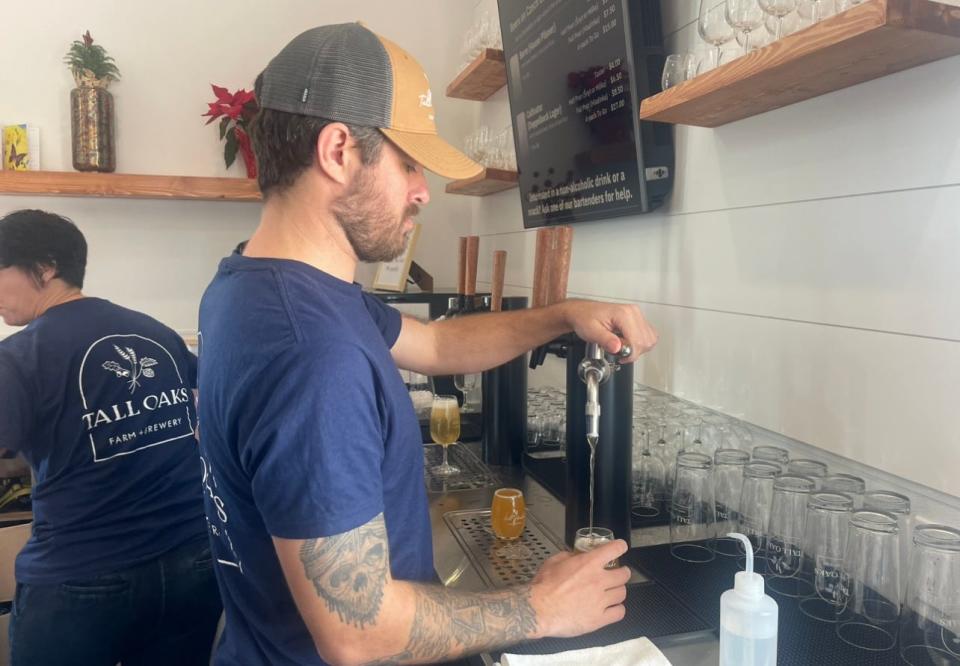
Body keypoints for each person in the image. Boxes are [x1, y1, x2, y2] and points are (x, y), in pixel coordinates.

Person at [197, 22, 659, 666]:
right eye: (408, 162)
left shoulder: (256, 285)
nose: (422, 191)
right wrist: (542, 608)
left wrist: (563, 315)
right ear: (337, 152)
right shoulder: (312, 351)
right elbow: (355, 631)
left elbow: (437, 346)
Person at [0, 210, 222, 665]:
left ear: (44, 268)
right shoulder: (153, 331)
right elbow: (203, 402)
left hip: (83, 574)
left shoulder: (20, 356)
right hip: (193, 560)